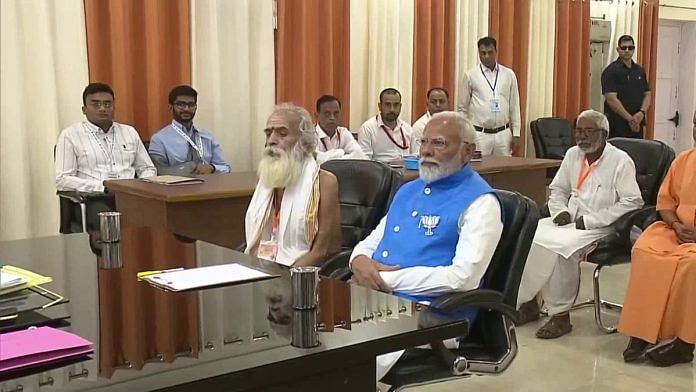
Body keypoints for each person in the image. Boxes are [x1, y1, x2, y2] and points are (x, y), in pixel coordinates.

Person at [350, 111, 504, 380]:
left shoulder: (480, 203)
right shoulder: (408, 190)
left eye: (439, 144)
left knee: (335, 361)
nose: (426, 151)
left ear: (467, 152)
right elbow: (372, 240)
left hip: (430, 312)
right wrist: (358, 261)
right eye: (424, 142)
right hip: (373, 298)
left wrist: (384, 279)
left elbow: (463, 278)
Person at [516, 110, 643, 339]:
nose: (582, 137)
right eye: (579, 131)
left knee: (562, 249)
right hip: (570, 220)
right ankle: (530, 303)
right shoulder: (573, 155)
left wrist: (593, 220)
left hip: (603, 225)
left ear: (604, 134)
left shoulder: (620, 161)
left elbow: (633, 201)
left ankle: (560, 316)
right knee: (527, 236)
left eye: (589, 131)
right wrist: (561, 211)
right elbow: (558, 190)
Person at [618, 131, 696, 366]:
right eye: (694, 124)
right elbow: (666, 202)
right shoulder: (684, 159)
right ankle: (642, 332)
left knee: (690, 266)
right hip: (677, 230)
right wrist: (676, 225)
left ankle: (684, 343)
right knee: (645, 251)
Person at [244, 103, 341, 267]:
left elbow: (323, 251)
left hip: (299, 274)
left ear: (303, 141)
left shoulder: (324, 182)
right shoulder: (267, 179)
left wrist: (286, 277)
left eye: (282, 134)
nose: (271, 141)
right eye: (268, 133)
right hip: (261, 268)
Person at [55, 83, 156, 229]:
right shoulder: (70, 135)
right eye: (95, 104)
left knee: (160, 219)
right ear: (84, 109)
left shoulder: (129, 132)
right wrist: (104, 188)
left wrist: (140, 185)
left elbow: (147, 168)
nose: (102, 108)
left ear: (114, 107)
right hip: (94, 199)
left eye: (107, 104)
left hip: (130, 196)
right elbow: (62, 180)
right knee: (111, 224)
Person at [457, 36, 521, 157]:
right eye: (483, 53)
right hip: (480, 134)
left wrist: (516, 133)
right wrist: (464, 135)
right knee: (480, 169)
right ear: (479, 53)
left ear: (496, 52)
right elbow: (462, 108)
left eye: (490, 52)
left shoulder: (508, 74)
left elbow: (515, 106)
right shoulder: (470, 75)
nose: (486, 56)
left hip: (503, 134)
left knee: (504, 171)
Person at [149, 85, 231, 175]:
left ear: (196, 107)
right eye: (181, 104)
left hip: (209, 186)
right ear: (170, 107)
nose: (186, 109)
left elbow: (226, 167)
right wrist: (186, 168)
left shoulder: (207, 137)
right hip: (176, 187)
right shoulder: (159, 139)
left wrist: (213, 168)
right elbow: (159, 172)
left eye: (191, 105)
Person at [601, 35, 651, 139]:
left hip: (638, 122)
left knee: (637, 151)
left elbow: (647, 94)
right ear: (618, 49)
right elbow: (611, 99)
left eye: (630, 48)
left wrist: (641, 113)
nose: (627, 51)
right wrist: (630, 119)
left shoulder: (640, 71)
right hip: (618, 123)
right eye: (624, 48)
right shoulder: (611, 71)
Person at [358, 88, 415, 162]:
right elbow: (364, 162)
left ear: (400, 106)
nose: (392, 109)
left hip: (406, 172)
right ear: (380, 106)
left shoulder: (408, 129)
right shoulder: (367, 129)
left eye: (396, 105)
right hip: (380, 172)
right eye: (388, 105)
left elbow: (415, 157)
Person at [313, 95, 366, 163]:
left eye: (336, 113)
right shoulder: (309, 135)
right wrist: (340, 152)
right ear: (317, 116)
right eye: (327, 114)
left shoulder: (343, 132)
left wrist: (330, 157)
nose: (332, 117)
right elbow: (316, 160)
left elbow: (359, 156)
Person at [410, 88, 450, 152]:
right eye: (433, 102)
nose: (438, 105)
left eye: (441, 101)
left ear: (448, 103)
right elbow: (417, 155)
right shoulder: (420, 126)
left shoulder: (454, 124)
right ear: (427, 104)